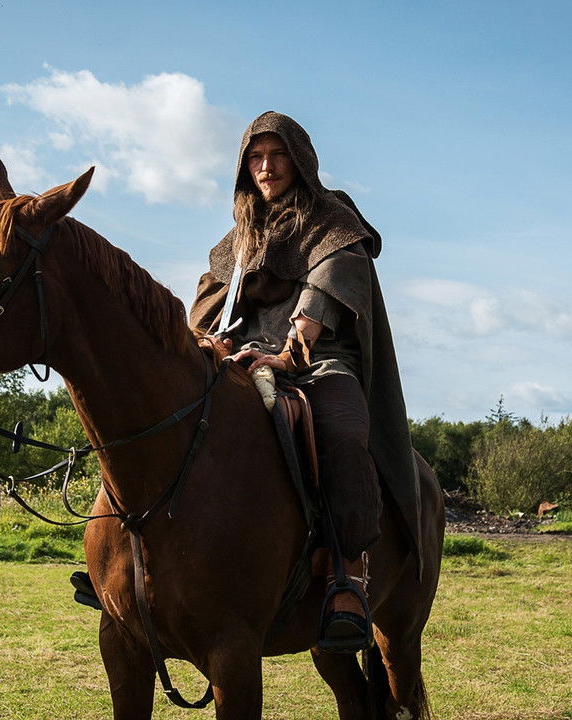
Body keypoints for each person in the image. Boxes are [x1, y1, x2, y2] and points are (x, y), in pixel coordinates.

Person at [186, 111, 418, 651]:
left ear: (300, 159)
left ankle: (349, 573)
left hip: (320, 363)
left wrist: (293, 349)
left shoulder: (330, 219)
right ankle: (132, 560)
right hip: (243, 359)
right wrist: (203, 341)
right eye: (256, 157)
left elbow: (326, 285)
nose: (266, 167)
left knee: (340, 431)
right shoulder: (238, 241)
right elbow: (211, 305)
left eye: (277, 155)